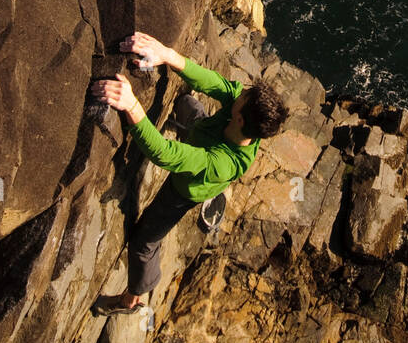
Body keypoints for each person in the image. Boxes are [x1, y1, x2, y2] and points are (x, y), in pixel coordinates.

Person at [89, 31, 287, 316]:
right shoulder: (243, 115)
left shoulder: (224, 162)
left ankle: (132, 298)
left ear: (240, 118)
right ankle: (200, 163)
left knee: (144, 241)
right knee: (188, 105)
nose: (239, 91)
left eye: (242, 97)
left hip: (183, 190)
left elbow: (165, 155)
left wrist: (132, 106)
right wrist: (167, 54)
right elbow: (212, 81)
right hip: (202, 136)